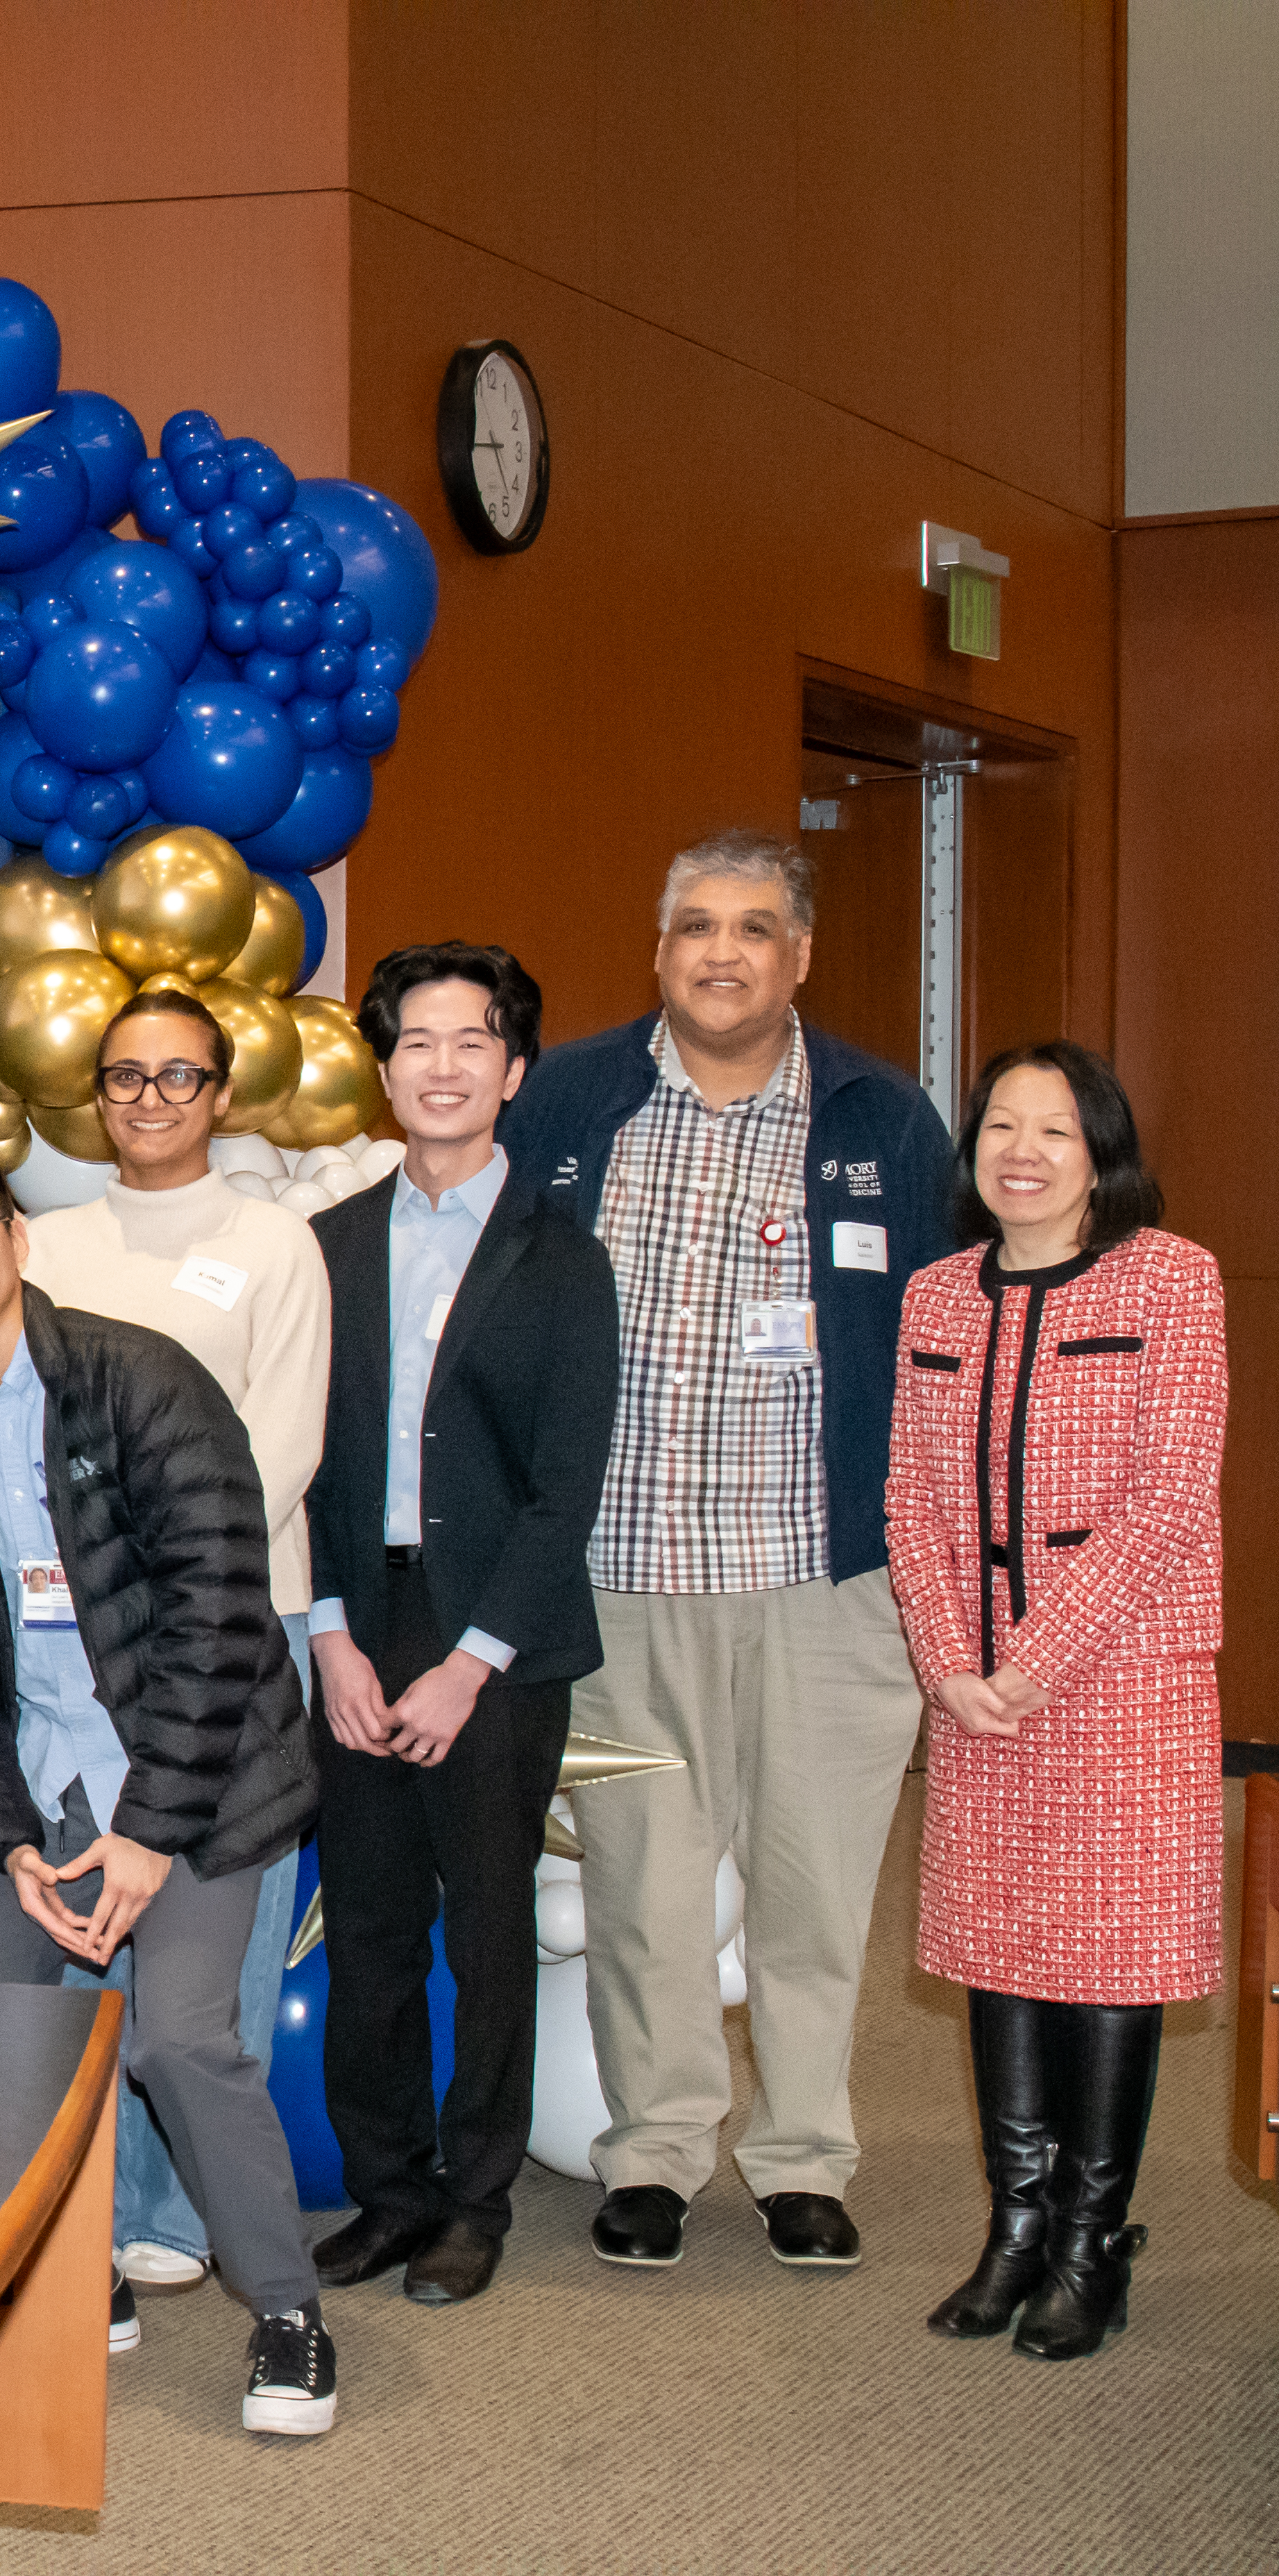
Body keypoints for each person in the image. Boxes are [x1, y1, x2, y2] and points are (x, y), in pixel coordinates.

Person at [501, 827, 955, 2272]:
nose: (721, 951)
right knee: (642, 1878)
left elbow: (943, 1345)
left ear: (798, 955)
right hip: (619, 1578)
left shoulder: (885, 1117)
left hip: (826, 1580)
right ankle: (656, 2150)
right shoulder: (570, 1101)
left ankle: (806, 2152)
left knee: (817, 1881)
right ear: (659, 949)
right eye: (694, 923)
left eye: (754, 926)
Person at [0, 1139, 334, 2432]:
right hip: (38, 1778)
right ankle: (68, 2272)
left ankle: (288, 2311)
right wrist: (7, 1840)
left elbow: (221, 1616)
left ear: (18, 1241)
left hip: (195, 1774)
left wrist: (142, 1835)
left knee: (178, 2036)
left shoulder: (141, 1380)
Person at [888, 1041, 1223, 2361]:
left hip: (1119, 1676)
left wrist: (1036, 1658)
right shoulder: (933, 1297)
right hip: (970, 1683)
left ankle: (1091, 2241)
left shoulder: (1171, 1278)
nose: (1021, 1151)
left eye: (1054, 1130)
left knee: (1110, 1958)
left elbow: (1165, 1494)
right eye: (999, 1127)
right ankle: (1012, 2230)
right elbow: (909, 1494)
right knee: (996, 1951)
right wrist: (949, 1660)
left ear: (1099, 1155)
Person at [301, 946, 620, 2309]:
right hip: (356, 1620)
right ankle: (391, 2190)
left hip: (493, 1632)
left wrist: (471, 1663)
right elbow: (296, 1460)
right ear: (384, 1069)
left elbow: (567, 1485)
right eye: (414, 1040)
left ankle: (475, 2200)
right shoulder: (328, 1242)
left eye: (468, 1040)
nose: (439, 1063)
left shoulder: (562, 1254)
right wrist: (328, 1637)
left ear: (514, 1071)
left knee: (487, 1928)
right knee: (368, 1923)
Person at [12, 985, 326, 2298]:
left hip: (236, 1629)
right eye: (124, 1078)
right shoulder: (40, 1243)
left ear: (221, 1091)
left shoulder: (274, 1244)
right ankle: (96, 2212)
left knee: (210, 1961)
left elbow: (282, 1445)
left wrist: (152, 1572)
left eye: (177, 1077)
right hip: (73, 1643)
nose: (149, 1101)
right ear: (96, 1095)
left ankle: (183, 2207)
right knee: (94, 1920)